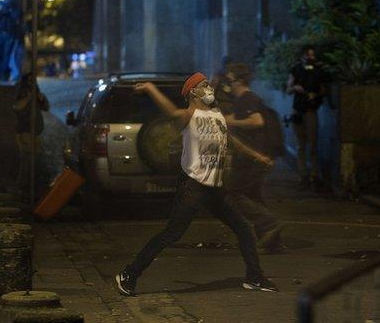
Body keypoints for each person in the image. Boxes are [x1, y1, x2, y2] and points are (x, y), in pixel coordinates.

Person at [115, 72, 279, 296]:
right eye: (204, 86)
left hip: (215, 187)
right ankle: (129, 274)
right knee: (172, 234)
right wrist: (151, 88)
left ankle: (254, 277)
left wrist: (257, 156)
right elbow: (171, 111)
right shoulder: (189, 115)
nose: (209, 88)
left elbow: (231, 140)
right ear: (193, 92)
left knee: (244, 229)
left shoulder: (216, 115)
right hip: (192, 186)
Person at [224, 63, 286, 254]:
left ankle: (270, 223)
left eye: (230, 81)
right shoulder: (245, 100)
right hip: (253, 157)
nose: (228, 85)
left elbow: (256, 121)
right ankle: (272, 242)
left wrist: (229, 121)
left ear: (240, 81)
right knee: (253, 197)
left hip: (253, 157)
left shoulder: (247, 98)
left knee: (234, 193)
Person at [286, 46, 328, 190]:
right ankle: (304, 176)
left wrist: (315, 95)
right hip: (298, 110)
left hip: (311, 110)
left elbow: (323, 89)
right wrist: (295, 88)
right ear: (302, 57)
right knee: (300, 146)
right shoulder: (296, 69)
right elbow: (288, 89)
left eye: (312, 55)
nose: (310, 58)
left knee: (313, 146)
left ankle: (315, 176)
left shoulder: (318, 70)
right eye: (307, 55)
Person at [13, 73, 49, 199]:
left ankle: (31, 188)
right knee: (27, 161)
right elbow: (17, 107)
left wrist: (42, 98)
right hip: (25, 132)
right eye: (30, 80)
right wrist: (30, 98)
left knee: (36, 160)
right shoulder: (21, 91)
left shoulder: (36, 91)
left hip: (36, 132)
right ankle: (22, 188)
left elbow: (46, 108)